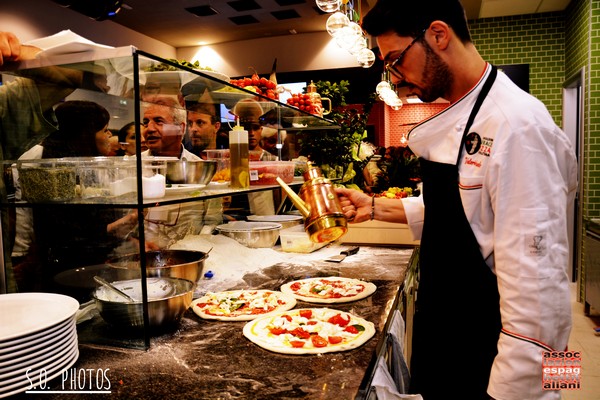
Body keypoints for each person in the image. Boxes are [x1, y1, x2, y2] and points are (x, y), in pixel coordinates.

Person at [335, 1, 578, 399]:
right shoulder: (469, 113)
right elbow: (464, 218)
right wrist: (375, 206)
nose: (396, 78)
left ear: (438, 35)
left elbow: (544, 297)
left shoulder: (520, 126)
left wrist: (531, 391)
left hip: (491, 357)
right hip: (449, 332)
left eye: (396, 60)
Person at [141, 95, 222, 248]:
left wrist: (196, 249)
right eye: (146, 123)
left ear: (181, 128)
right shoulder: (130, 167)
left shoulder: (201, 169)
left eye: (159, 121)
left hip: (190, 257)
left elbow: (212, 222)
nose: (149, 129)